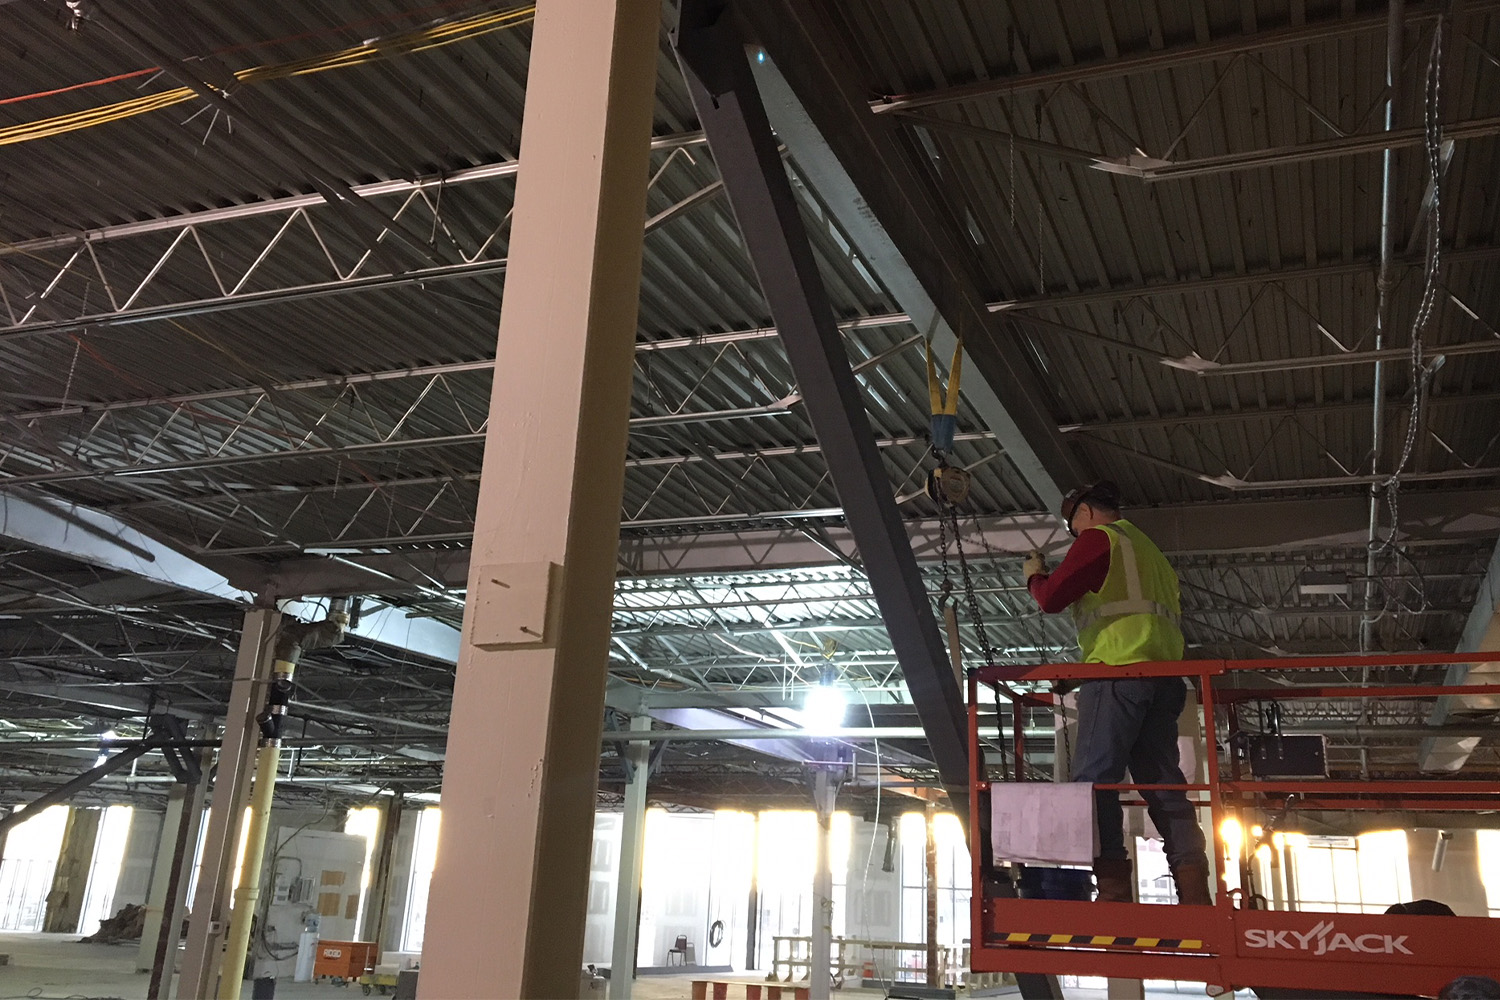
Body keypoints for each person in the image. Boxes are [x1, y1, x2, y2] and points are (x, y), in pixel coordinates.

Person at [1023, 480, 1212, 905]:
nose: (1075, 535)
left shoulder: (1098, 539)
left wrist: (1035, 577)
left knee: (1095, 781)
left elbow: (1051, 599)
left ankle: (1112, 885)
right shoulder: (1149, 551)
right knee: (1163, 781)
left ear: (1084, 514)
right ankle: (1194, 886)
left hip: (1118, 676)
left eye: (1073, 526)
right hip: (1163, 679)